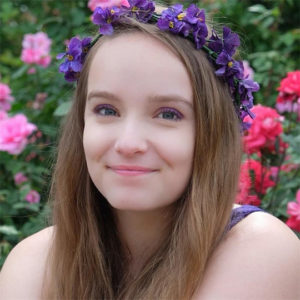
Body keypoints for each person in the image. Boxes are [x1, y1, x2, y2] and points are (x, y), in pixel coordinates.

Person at [0, 1, 299, 299]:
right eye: (106, 110)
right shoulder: (33, 265)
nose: (128, 144)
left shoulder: (260, 250)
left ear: (212, 132)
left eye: (168, 114)